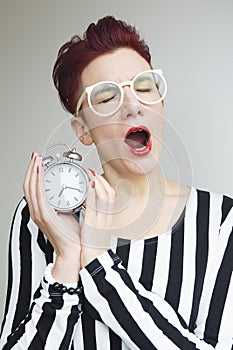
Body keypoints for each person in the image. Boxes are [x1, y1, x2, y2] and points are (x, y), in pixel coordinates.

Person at [0, 15, 232, 350]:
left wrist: (97, 264)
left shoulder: (222, 222)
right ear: (83, 131)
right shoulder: (43, 216)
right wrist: (66, 258)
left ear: (161, 104)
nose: (133, 106)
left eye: (144, 87)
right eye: (106, 98)